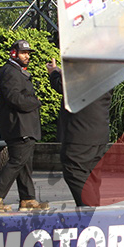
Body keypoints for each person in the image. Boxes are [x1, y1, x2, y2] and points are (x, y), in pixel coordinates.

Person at [0, 40, 49, 212]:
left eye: (28, 53)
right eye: (23, 53)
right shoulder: (10, 72)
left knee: (24, 163)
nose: (27, 56)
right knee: (17, 161)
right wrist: (36, 101)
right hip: (18, 126)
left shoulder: (16, 71)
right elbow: (15, 98)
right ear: (13, 53)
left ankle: (28, 199)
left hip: (23, 126)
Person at [47, 58, 112, 207]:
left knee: (74, 170)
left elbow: (63, 87)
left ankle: (89, 210)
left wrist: (54, 73)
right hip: (100, 131)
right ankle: (94, 209)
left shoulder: (84, 70)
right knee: (92, 175)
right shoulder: (106, 72)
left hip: (80, 131)